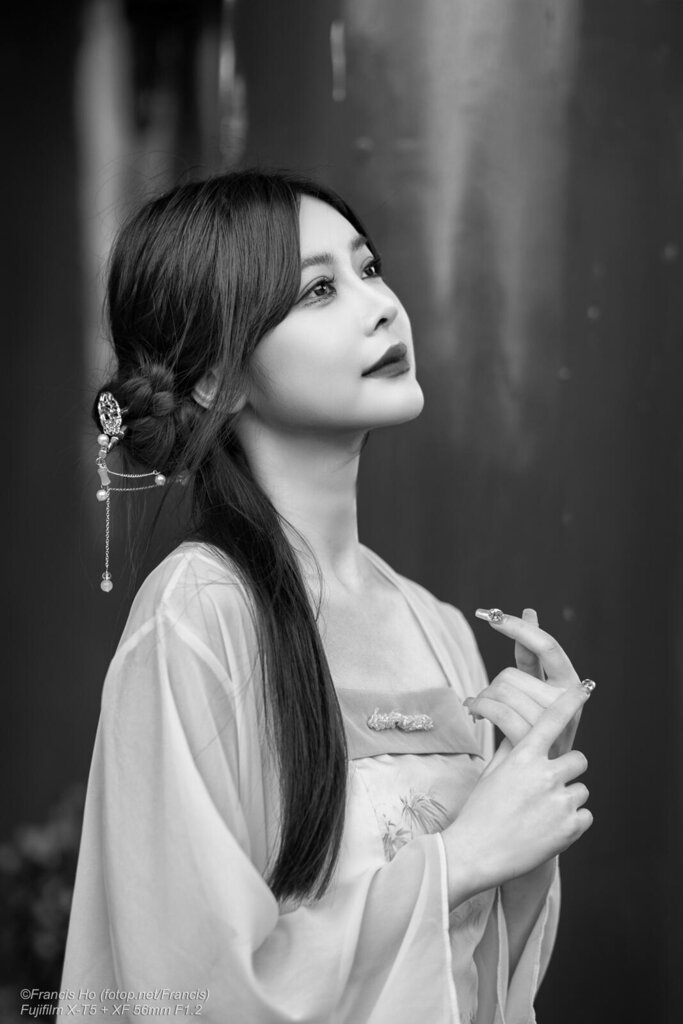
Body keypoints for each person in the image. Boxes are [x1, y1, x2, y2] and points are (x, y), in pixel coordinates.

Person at [59, 169, 594, 1024]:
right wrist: (458, 859)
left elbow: (472, 982)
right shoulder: (198, 617)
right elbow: (193, 991)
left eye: (369, 268)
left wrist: (523, 798)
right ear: (217, 380)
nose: (381, 307)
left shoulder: (437, 626)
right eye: (318, 289)